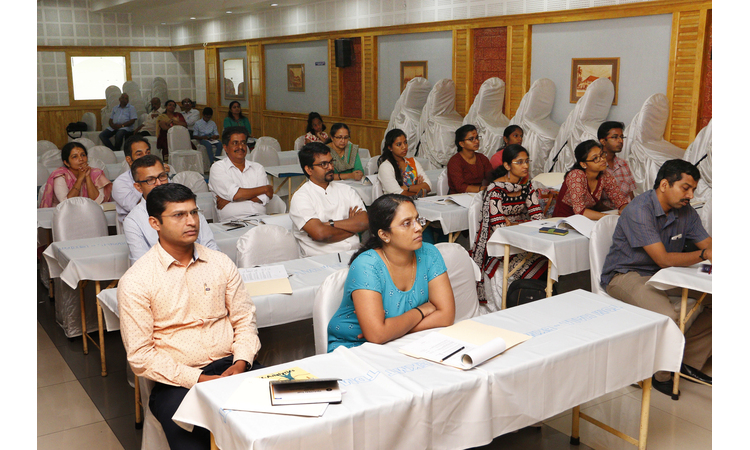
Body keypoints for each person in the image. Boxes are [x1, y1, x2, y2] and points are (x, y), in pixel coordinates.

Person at [118, 182, 261, 449]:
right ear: (155, 223)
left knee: (279, 427)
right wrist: (199, 380)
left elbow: (244, 319)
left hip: (233, 366)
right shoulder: (137, 280)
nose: (191, 221)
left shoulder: (219, 262)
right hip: (179, 382)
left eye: (194, 212)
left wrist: (241, 362)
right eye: (179, 215)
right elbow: (140, 355)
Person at [601, 159, 712, 395]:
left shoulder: (687, 212)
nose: (691, 195)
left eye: (693, 189)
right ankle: (661, 374)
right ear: (664, 185)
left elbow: (709, 245)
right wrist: (704, 255)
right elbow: (663, 258)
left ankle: (685, 362)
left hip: (664, 274)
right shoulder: (639, 210)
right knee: (667, 315)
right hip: (626, 274)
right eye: (685, 188)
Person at [327, 194, 455, 351]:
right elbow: (377, 335)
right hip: (355, 348)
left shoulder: (429, 253)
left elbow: (446, 316)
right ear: (384, 235)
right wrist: (422, 310)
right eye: (406, 223)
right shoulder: (366, 266)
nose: (418, 227)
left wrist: (392, 331)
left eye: (417, 219)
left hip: (405, 342)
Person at [470, 144, 547, 306]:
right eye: (519, 162)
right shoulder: (495, 191)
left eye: (527, 161)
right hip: (499, 243)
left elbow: (539, 218)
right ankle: (523, 300)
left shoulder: (526, 186)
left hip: (521, 236)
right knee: (537, 262)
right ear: (507, 166)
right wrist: (522, 225)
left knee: (549, 259)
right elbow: (499, 229)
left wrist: (514, 224)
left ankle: (540, 302)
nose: (525, 166)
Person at [124, 154, 218, 265]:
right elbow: (141, 264)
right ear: (138, 187)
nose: (159, 183)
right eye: (150, 180)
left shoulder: (186, 205)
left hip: (201, 268)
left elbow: (211, 247)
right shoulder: (133, 220)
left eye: (162, 176)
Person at [290, 142, 369, 257]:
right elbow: (320, 234)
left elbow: (364, 222)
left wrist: (330, 224)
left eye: (331, 162)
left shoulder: (346, 190)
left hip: (355, 254)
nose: (331, 167)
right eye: (324, 164)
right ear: (309, 170)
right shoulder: (301, 197)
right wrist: (352, 227)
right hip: (322, 259)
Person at [208, 126, 273, 222]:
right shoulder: (218, 168)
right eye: (235, 143)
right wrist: (265, 189)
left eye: (243, 143)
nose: (240, 147)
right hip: (233, 222)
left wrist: (231, 200)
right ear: (225, 148)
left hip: (261, 219)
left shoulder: (258, 168)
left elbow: (264, 197)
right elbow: (236, 194)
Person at [551, 140, 629, 219]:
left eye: (602, 154)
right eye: (595, 158)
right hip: (564, 220)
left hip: (588, 220)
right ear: (583, 164)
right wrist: (608, 217)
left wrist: (624, 209)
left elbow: (620, 200)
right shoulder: (576, 175)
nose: (602, 159)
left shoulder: (604, 175)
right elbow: (580, 211)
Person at [39, 142, 112, 208]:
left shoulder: (96, 173)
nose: (81, 159)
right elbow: (67, 204)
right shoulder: (60, 176)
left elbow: (97, 202)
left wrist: (87, 177)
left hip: (90, 212)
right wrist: (80, 179)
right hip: (64, 214)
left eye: (83, 155)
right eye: (75, 157)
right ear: (67, 163)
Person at [377, 128, 432, 197]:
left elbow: (428, 186)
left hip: (416, 201)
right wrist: (418, 188)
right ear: (390, 147)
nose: (404, 147)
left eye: (405, 142)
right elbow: (398, 194)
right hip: (396, 202)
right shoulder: (385, 167)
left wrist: (407, 188)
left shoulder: (412, 162)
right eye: (399, 144)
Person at [597, 121, 636, 209]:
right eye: (615, 137)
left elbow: (631, 195)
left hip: (627, 211)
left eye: (621, 137)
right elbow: (595, 202)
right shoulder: (597, 166)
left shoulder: (623, 164)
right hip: (608, 213)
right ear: (603, 141)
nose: (620, 141)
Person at [112, 135, 152, 223]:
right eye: (139, 154)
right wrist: (148, 179)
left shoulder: (160, 175)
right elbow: (139, 208)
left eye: (148, 153)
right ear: (129, 160)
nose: (146, 157)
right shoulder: (120, 183)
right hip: (137, 225)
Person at [447, 124, 493, 194]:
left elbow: (492, 177)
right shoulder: (455, 161)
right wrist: (483, 189)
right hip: (458, 197)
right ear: (461, 144)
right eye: (471, 139)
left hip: (478, 195)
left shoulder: (482, 158)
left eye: (477, 138)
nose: (476, 141)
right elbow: (460, 187)